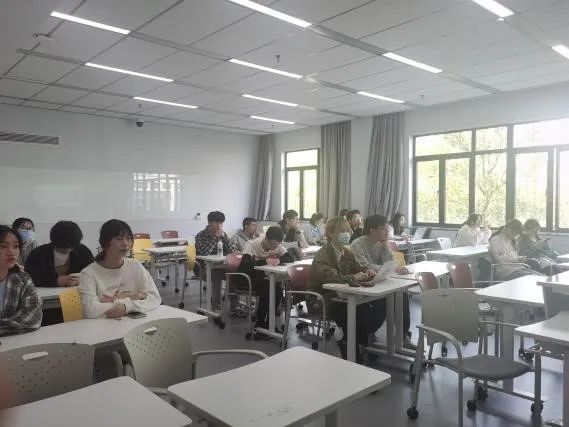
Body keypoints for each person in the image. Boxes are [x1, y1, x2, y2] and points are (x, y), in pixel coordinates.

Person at [309, 217, 383, 363]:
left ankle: (356, 341)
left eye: (348, 231)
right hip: (323, 298)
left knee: (379, 304)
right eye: (343, 231)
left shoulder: (346, 252)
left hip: (344, 295)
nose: (347, 234)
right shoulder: (322, 255)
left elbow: (358, 268)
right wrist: (353, 277)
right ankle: (352, 344)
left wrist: (367, 271)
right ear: (330, 234)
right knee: (356, 312)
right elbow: (329, 276)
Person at [350, 215, 414, 346]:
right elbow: (365, 266)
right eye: (383, 228)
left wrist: (386, 248)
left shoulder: (381, 243)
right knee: (385, 302)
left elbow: (389, 262)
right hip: (363, 285)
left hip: (379, 281)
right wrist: (391, 268)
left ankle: (403, 336)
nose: (387, 231)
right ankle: (367, 333)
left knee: (401, 295)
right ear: (372, 230)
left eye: (387, 228)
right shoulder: (357, 244)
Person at [78, 219, 161, 319]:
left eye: (128, 238)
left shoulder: (135, 265)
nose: (125, 243)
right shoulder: (88, 273)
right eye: (119, 238)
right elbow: (90, 310)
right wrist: (132, 299)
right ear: (105, 242)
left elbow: (154, 298)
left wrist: (127, 306)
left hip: (133, 324)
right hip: (103, 326)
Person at [239, 226, 293, 331]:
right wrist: (266, 261)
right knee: (268, 288)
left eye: (276, 246)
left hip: (264, 278)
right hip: (248, 278)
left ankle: (269, 323)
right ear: (266, 238)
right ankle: (260, 323)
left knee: (277, 290)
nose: (273, 248)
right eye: (271, 245)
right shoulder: (251, 244)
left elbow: (290, 257)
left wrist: (278, 259)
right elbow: (245, 265)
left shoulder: (276, 245)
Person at [0, 225, 42, 336]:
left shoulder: (23, 279)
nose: (11, 252)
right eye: (3, 246)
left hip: (13, 341)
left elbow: (32, 319)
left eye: (16, 246)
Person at [25, 221, 93, 288]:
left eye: (71, 246)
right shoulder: (38, 254)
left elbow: (93, 273)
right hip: (46, 293)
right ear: (54, 241)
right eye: (64, 247)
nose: (68, 249)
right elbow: (27, 278)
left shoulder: (83, 251)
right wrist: (55, 281)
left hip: (76, 292)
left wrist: (83, 280)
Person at [195, 211, 237, 311]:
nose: (219, 226)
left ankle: (235, 305)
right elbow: (204, 253)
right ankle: (216, 305)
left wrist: (224, 238)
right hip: (203, 268)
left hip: (221, 266)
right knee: (216, 274)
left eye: (221, 223)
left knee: (234, 272)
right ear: (209, 222)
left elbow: (232, 251)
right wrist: (215, 238)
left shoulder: (223, 234)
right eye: (216, 223)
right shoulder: (201, 236)